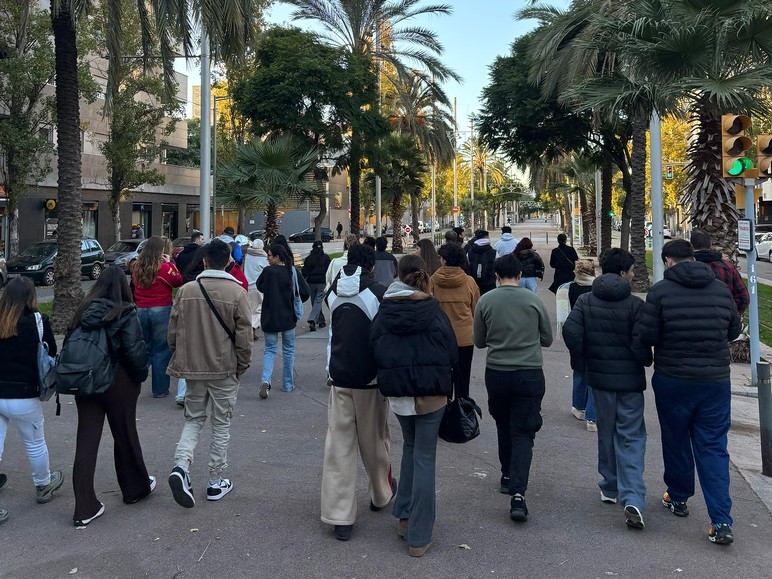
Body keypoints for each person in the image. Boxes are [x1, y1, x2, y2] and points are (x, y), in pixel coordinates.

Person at [640, 240, 741, 545]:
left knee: (676, 438)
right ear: (694, 259)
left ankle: (678, 495)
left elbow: (648, 334)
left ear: (667, 261)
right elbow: (733, 330)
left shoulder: (660, 292)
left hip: (674, 378)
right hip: (715, 381)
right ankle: (721, 521)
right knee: (713, 446)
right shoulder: (720, 290)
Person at [371, 254, 458, 557]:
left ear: (398, 274)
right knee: (424, 457)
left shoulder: (384, 310)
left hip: (398, 394)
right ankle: (419, 536)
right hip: (431, 393)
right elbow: (452, 352)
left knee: (410, 448)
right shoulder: (433, 310)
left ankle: (405, 516)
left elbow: (374, 347)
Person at [562, 249, 652, 531]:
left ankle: (610, 485)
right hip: (630, 382)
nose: (634, 275)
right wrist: (642, 358)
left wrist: (585, 360)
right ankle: (632, 494)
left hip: (599, 380)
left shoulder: (586, 301)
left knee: (606, 431)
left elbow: (571, 332)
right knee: (631, 436)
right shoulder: (635, 305)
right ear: (624, 272)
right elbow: (642, 340)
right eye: (632, 270)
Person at [166, 240, 252, 508]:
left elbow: (173, 332)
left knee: (193, 419)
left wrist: (180, 357)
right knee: (221, 423)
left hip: (193, 368)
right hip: (224, 367)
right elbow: (245, 337)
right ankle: (216, 480)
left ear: (204, 262)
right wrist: (242, 366)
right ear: (228, 262)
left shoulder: (186, 290)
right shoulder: (237, 292)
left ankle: (181, 465)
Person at [69, 267, 152, 526]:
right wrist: (140, 376)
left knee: (86, 440)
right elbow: (134, 350)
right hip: (118, 381)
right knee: (125, 434)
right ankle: (134, 488)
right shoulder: (125, 312)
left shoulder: (82, 311)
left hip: (85, 380)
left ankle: (84, 507)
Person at [473, 254, 553, 522]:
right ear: (520, 275)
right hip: (529, 372)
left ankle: (507, 473)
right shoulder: (533, 300)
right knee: (524, 430)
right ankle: (518, 493)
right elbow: (547, 339)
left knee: (503, 424)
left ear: (496, 276)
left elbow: (479, 341)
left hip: (497, 372)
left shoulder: (486, 301)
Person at [321, 244, 392, 542]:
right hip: (370, 380)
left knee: (338, 446)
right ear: (371, 266)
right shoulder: (378, 293)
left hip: (338, 376)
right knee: (374, 441)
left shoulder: (331, 293)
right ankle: (381, 493)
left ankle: (339, 515)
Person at [0, 278, 64, 525]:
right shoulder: (37, 321)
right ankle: (43, 485)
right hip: (24, 394)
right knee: (35, 443)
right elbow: (50, 352)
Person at [131, 236, 183, 398]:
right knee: (161, 350)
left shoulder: (136, 266)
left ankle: (132, 385)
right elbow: (177, 281)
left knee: (143, 348)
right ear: (162, 251)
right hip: (161, 309)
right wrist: (170, 264)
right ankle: (160, 390)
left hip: (140, 309)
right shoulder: (164, 268)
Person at [256, 244, 310, 397]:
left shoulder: (267, 272)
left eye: (269, 255)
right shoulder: (291, 271)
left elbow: (260, 286)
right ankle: (288, 384)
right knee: (288, 351)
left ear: (277, 257)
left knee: (269, 350)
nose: (267, 258)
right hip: (288, 316)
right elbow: (304, 292)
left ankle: (266, 380)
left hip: (269, 317)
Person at [430, 242, 480, 400]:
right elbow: (476, 310)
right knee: (463, 381)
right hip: (464, 338)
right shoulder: (469, 282)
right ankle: (462, 411)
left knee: (442, 382)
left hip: (439, 338)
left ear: (444, 260)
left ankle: (445, 411)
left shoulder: (432, 281)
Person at [559, 259, 598, 431]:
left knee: (579, 371)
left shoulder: (568, 288)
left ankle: (579, 407)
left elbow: (564, 314)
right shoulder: (597, 289)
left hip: (576, 332)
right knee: (594, 375)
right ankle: (592, 416)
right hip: (595, 333)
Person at [691, 230, 749, 315]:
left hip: (692, 317)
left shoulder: (685, 267)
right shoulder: (727, 267)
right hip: (722, 317)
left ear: (691, 246)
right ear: (710, 244)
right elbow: (743, 297)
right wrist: (731, 315)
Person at [243, 239, 269, 340]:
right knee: (259, 308)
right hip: (258, 286)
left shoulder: (247, 255)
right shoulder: (263, 257)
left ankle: (248, 326)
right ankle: (253, 327)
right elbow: (267, 270)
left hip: (247, 285)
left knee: (250, 308)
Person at [303, 241, 331, 331]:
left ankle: (320, 321)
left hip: (311, 283)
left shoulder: (308, 259)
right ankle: (313, 320)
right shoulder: (325, 258)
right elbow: (329, 270)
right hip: (322, 283)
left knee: (314, 302)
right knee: (318, 302)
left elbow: (304, 271)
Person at [466, 230, 497, 295]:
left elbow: (467, 266)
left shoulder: (469, 252)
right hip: (490, 285)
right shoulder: (494, 253)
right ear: (487, 238)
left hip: (474, 284)